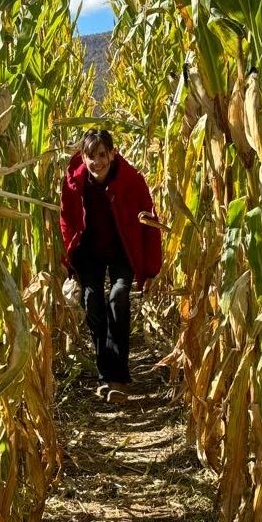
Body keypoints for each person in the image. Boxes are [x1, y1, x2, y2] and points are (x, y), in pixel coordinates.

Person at [60, 129, 162, 403]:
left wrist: (151, 269)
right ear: (83, 157)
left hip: (122, 251)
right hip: (90, 252)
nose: (97, 162)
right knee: (92, 299)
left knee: (118, 298)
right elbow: (67, 219)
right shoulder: (74, 182)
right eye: (90, 156)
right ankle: (106, 375)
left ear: (112, 154)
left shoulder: (132, 181)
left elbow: (150, 223)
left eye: (102, 155)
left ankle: (119, 377)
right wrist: (70, 261)